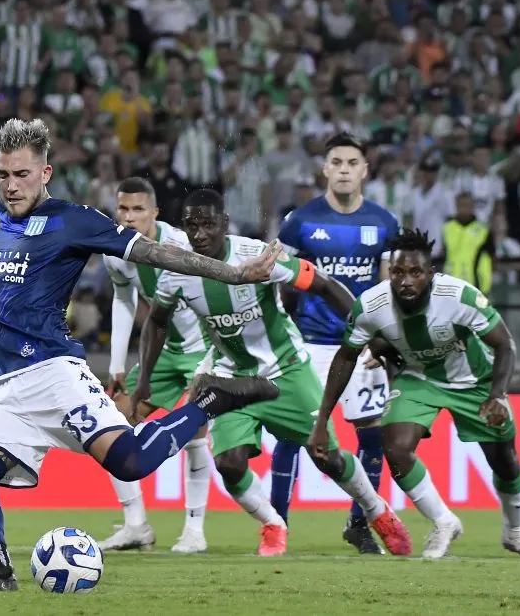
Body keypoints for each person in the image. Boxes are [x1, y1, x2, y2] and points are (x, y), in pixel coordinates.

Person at [0, 117, 282, 591]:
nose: (11, 186)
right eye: (3, 175)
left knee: (129, 462)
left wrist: (234, 274)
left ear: (46, 173)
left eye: (22, 175)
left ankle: (209, 402)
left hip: (53, 371)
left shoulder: (74, 221)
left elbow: (155, 253)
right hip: (1, 386)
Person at [140, 190, 411, 557]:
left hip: (286, 371)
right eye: (192, 226)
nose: (200, 234)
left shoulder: (258, 256)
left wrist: (367, 334)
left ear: (224, 223)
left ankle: (379, 513)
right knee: (228, 464)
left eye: (207, 224)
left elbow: (325, 285)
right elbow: (156, 321)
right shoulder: (178, 271)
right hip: (232, 378)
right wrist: (143, 380)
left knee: (325, 455)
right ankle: (272, 523)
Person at [309, 229, 520, 560]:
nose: (405, 281)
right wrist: (323, 417)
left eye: (415, 272)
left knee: (504, 461)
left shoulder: (459, 297)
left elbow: (504, 344)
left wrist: (497, 394)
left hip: (473, 381)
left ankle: (516, 532)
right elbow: (346, 356)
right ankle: (443, 521)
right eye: (397, 272)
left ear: (431, 274)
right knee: (394, 447)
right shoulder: (371, 305)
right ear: (389, 272)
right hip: (418, 378)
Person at [268, 132, 400, 554]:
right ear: (324, 169)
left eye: (352, 163)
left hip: (360, 347)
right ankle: (278, 525)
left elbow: (389, 288)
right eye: (336, 162)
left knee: (372, 437)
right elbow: (276, 282)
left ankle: (360, 524)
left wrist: (383, 341)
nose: (344, 169)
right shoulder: (299, 221)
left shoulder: (384, 222)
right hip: (309, 344)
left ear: (365, 170)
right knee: (293, 434)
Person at [99, 177, 212, 554]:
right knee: (113, 423)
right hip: (162, 354)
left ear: (155, 213)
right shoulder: (114, 250)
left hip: (202, 349)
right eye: (123, 209)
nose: (129, 217)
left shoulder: (181, 245)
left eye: (138, 210)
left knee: (194, 431)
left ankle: (194, 530)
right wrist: (117, 364)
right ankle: (136, 526)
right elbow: (123, 301)